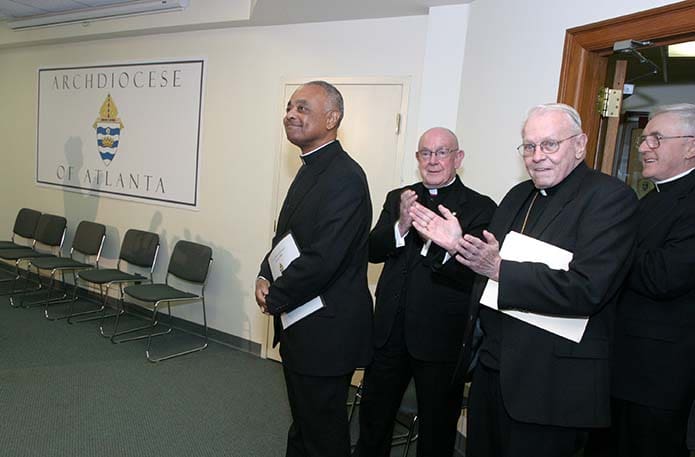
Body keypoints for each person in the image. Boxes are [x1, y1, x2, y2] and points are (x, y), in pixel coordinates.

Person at [410, 103, 638, 457]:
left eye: (549, 144)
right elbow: (483, 275)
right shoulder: (518, 196)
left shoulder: (609, 199)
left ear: (580, 145)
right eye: (529, 146)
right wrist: (455, 247)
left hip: (552, 383)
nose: (537, 156)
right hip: (493, 373)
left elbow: (588, 288)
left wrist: (500, 269)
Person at [353, 127, 495, 457]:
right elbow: (372, 251)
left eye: (441, 152)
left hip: (440, 339)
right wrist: (400, 226)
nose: (432, 161)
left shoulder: (480, 207)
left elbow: (476, 275)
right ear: (417, 158)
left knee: (436, 431)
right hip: (389, 332)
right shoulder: (399, 197)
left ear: (458, 158)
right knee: (374, 420)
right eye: (425, 153)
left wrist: (450, 244)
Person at [255, 81, 373, 457]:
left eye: (303, 108)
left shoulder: (345, 178)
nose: (291, 114)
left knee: (323, 434)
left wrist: (276, 295)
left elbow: (323, 259)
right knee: (305, 426)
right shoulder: (310, 168)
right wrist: (264, 273)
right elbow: (286, 236)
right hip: (302, 322)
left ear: (332, 118)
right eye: (290, 106)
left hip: (327, 331)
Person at [608, 103, 695, 457]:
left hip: (659, 377)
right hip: (620, 365)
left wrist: (607, 250)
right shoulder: (648, 199)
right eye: (645, 140)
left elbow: (664, 276)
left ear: (691, 147)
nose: (644, 148)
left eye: (656, 139)